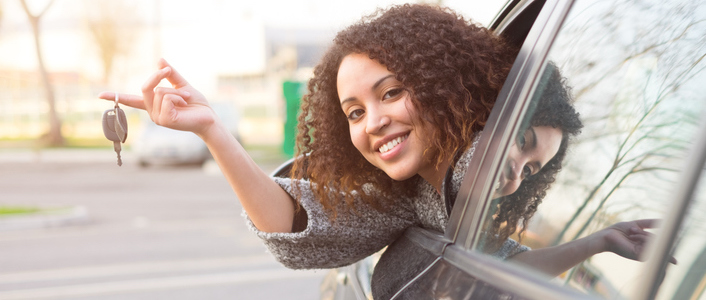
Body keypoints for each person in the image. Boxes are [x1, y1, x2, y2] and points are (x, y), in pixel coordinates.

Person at [99, 3, 663, 291]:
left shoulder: (469, 207)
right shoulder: (402, 198)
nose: (373, 122)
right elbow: (294, 222)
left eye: (533, 163)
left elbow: (512, 263)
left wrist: (595, 242)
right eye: (356, 110)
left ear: (457, 96)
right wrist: (212, 129)